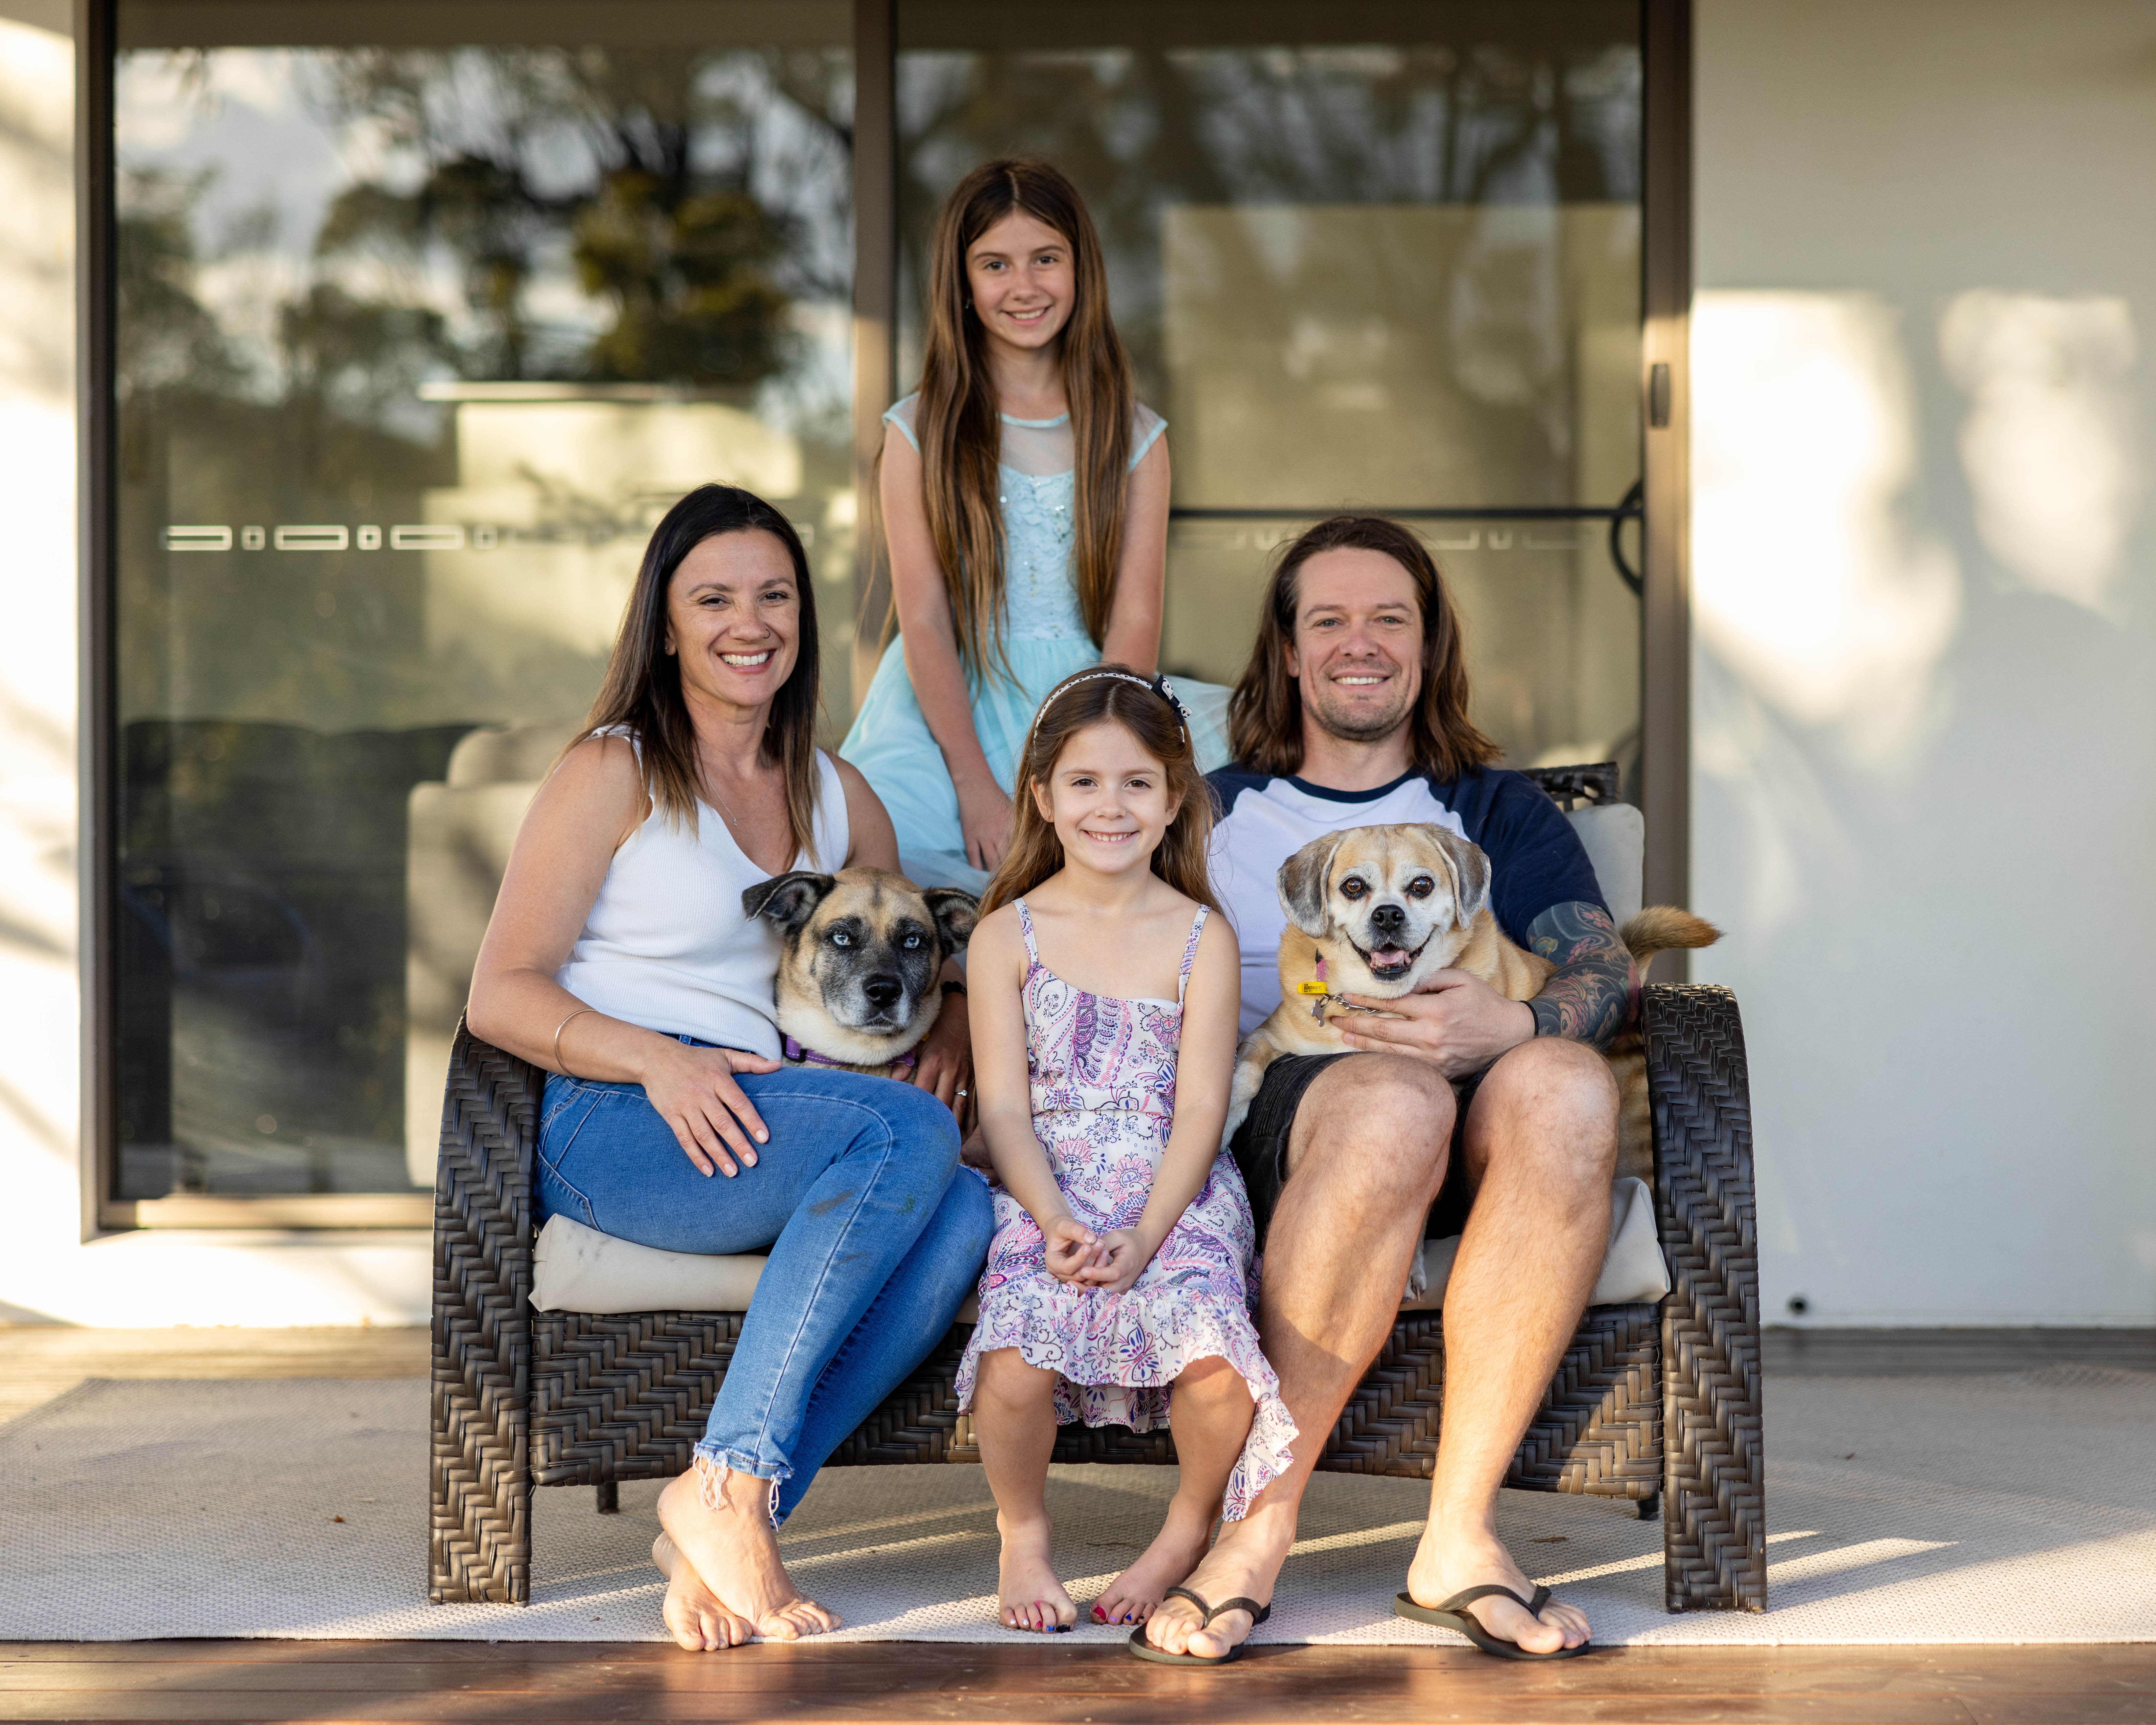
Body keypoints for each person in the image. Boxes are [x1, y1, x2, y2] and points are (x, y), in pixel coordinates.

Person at [466, 484, 994, 1653]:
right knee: (904, 1139)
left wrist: (950, 1013)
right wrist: (658, 1059)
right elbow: (497, 992)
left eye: (773, 596)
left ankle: (718, 1508)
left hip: (761, 1124)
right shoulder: (612, 772)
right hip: (617, 1122)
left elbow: (903, 934)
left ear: (801, 621)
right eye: (711, 598)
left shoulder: (834, 792)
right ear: (663, 623)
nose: (745, 622)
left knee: (964, 1206)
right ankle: (735, 1487)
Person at [1137, 514, 1631, 1664]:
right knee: (1387, 1100)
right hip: (1297, 1117)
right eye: (1329, 620)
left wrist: (1512, 1021)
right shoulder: (1207, 809)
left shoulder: (1497, 810)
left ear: (1427, 644)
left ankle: (1457, 1534)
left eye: (1387, 619)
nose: (1359, 643)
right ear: (1288, 649)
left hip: (1482, 1131)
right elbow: (1094, 937)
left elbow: (1601, 968)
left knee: (1563, 1084)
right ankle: (1256, 1530)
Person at [956, 666, 1292, 1643]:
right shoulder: (1003, 936)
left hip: (1173, 1188)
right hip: (1045, 1181)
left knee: (1215, 1366)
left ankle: (1187, 1529)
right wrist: (1055, 1217)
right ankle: (1023, 1528)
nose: (1112, 805)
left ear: (1175, 797)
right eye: (1086, 781)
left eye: (1139, 781)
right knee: (1016, 1358)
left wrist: (1149, 1231)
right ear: (1044, 798)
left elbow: (1199, 1110)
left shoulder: (1202, 936)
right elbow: (1006, 1109)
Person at [842, 157, 1229, 895]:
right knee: (914, 878)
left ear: (1081, 269)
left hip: (1092, 698)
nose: (1023, 286)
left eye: (1045, 259)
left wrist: (1094, 762)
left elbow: (1135, 615)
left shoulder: (1136, 437)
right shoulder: (916, 429)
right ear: (962, 282)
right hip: (947, 711)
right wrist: (976, 784)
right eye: (995, 264)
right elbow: (922, 617)